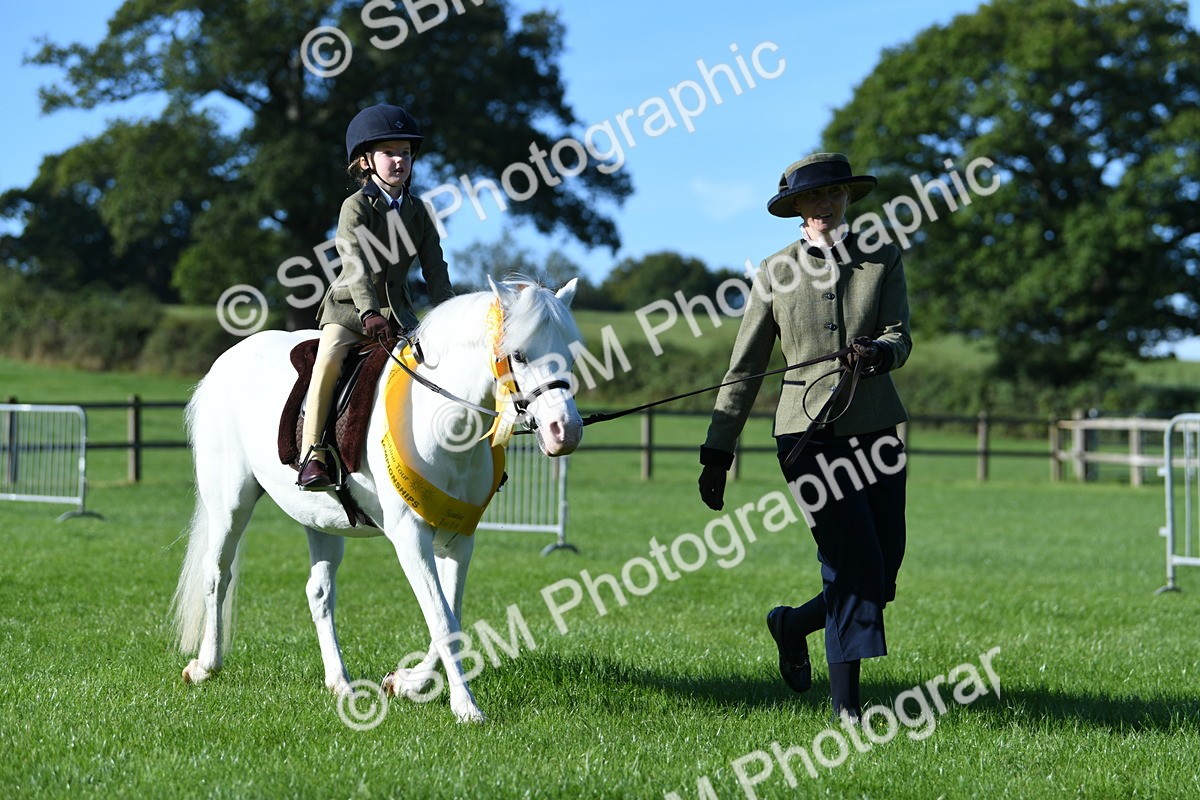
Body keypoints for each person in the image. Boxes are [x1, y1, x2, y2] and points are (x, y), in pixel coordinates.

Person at [697, 152, 912, 720]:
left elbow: (900, 335)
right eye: (817, 197)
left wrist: (880, 353)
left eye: (837, 193)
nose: (828, 204)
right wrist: (718, 451)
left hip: (877, 429)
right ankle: (848, 713)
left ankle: (790, 624)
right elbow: (744, 368)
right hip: (805, 437)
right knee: (853, 564)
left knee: (884, 567)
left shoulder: (883, 255)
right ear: (797, 208)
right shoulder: (773, 272)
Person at [298, 103, 455, 490]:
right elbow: (353, 262)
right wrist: (369, 311)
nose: (399, 161)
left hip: (400, 314)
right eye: (389, 153)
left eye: (405, 153)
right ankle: (313, 454)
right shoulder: (355, 207)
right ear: (366, 161)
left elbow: (435, 268)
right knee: (329, 357)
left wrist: (449, 313)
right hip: (352, 310)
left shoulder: (419, 211)